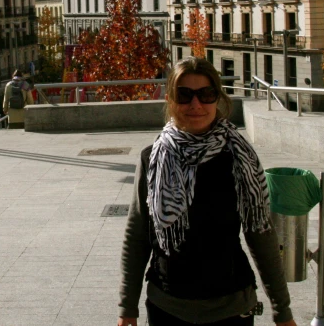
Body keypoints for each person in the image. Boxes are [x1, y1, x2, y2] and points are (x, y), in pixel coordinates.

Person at [118, 57, 296, 326]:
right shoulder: (153, 159)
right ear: (170, 99)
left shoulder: (239, 159)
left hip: (231, 307)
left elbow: (260, 234)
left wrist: (282, 311)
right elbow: (138, 235)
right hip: (168, 307)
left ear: (218, 98)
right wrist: (127, 308)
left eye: (206, 94)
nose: (195, 104)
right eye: (184, 95)